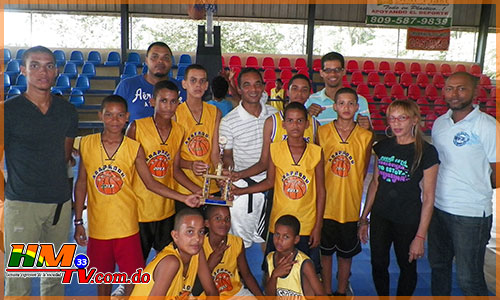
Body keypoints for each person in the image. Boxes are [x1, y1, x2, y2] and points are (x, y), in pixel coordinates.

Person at [73, 95, 200, 297]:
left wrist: (183, 198)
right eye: (109, 115)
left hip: (127, 225)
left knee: (133, 277)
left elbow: (150, 183)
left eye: (120, 115)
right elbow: (81, 184)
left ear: (127, 117)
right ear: (100, 116)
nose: (114, 120)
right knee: (102, 277)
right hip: (98, 227)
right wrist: (79, 220)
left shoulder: (134, 148)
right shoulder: (87, 143)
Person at [4, 46, 78, 297]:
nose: (42, 72)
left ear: (57, 71)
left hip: (59, 204)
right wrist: (7, 199)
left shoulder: (67, 111)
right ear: (22, 70)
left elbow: (65, 157)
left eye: (48, 66)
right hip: (23, 205)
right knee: (19, 279)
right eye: (34, 65)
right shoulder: (7, 111)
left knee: (55, 277)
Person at [358, 100, 439, 296]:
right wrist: (364, 218)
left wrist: (420, 236)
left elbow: (428, 197)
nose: (396, 123)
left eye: (402, 118)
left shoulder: (426, 152)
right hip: (381, 216)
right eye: (392, 119)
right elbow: (376, 183)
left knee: (407, 265)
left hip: (407, 219)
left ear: (414, 120)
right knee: (378, 263)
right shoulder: (383, 146)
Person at [233, 102, 325, 273]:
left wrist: (318, 226)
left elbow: (321, 192)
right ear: (283, 125)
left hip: (306, 222)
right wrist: (241, 191)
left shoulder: (316, 152)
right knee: (273, 269)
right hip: (279, 221)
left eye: (299, 121)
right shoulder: (275, 149)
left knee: (306, 271)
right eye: (290, 120)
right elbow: (269, 182)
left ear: (307, 124)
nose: (295, 125)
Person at [429, 71, 499, 296]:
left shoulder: (488, 126)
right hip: (438, 208)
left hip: (470, 214)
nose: (455, 94)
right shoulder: (440, 124)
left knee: (469, 277)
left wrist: (474, 187)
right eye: (449, 88)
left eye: (461, 88)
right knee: (438, 268)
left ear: (475, 92)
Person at [125, 80, 201, 264]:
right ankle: (129, 289)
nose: (168, 106)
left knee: (166, 260)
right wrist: (184, 197)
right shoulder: (136, 128)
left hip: (166, 209)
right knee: (136, 262)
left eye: (173, 101)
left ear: (178, 103)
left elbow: (174, 171)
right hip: (140, 209)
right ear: (153, 101)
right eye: (163, 101)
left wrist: (197, 190)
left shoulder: (179, 131)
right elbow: (147, 181)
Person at [318, 87, 373, 296]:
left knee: (345, 255)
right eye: (341, 103)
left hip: (350, 206)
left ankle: (341, 292)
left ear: (358, 107)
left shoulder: (365, 136)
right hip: (326, 206)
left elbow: (363, 172)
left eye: (351, 103)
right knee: (325, 254)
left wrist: (364, 216)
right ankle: (325, 292)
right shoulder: (322, 133)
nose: (346, 107)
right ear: (334, 107)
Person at [131, 208, 218, 297]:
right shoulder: (171, 262)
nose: (197, 238)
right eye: (190, 232)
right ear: (175, 236)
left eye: (201, 232)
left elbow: (212, 292)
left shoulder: (197, 252)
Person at [175, 64, 222, 212]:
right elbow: (172, 160)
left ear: (207, 85)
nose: (198, 85)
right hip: (185, 188)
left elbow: (215, 154)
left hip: (211, 187)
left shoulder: (215, 112)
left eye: (202, 81)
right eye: (193, 80)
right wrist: (191, 165)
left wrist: (221, 176)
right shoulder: (175, 113)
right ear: (184, 84)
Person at [114, 41, 186, 122]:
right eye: (155, 57)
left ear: (171, 62)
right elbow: (113, 119)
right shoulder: (127, 86)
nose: (160, 61)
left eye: (166, 58)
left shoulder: (182, 90)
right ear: (146, 60)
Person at [201, 205, 263, 296]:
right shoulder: (199, 245)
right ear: (207, 223)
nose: (223, 222)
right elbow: (195, 283)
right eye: (218, 218)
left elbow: (247, 275)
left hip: (236, 293)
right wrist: (211, 263)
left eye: (227, 219)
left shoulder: (236, 242)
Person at [305, 51, 371, 129]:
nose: (333, 74)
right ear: (321, 73)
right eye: (328, 70)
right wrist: (307, 115)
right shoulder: (311, 101)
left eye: (337, 69)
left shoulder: (360, 101)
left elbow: (370, 136)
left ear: (343, 72)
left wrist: (368, 128)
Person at [263, 215, 325, 296]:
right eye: (277, 234)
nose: (279, 240)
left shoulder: (304, 263)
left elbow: (321, 295)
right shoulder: (270, 258)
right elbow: (270, 296)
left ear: (296, 239)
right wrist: (274, 275)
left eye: (286, 237)